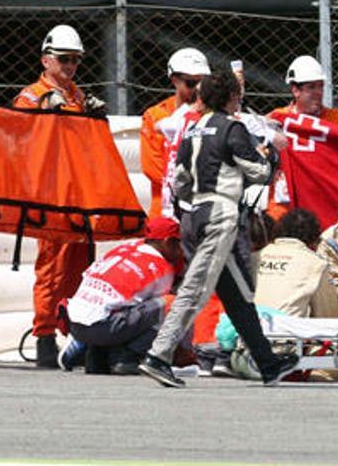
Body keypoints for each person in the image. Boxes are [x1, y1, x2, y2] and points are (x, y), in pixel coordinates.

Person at [138, 70, 297, 388]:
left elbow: (179, 181)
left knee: (238, 295)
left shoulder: (190, 130)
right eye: (237, 93)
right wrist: (270, 155)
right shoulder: (233, 128)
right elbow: (259, 172)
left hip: (193, 215)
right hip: (220, 216)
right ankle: (158, 355)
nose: (240, 99)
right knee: (195, 288)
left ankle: (267, 363)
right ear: (229, 97)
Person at [12, 24, 99, 367]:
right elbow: (22, 142)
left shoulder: (78, 97)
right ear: (46, 60)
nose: (70, 67)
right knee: (51, 269)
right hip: (48, 195)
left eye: (76, 61)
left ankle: (78, 335)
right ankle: (45, 337)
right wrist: (48, 113)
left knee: (83, 268)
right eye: (64, 60)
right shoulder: (31, 96)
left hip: (79, 194)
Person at [59, 217, 184, 375]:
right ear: (167, 241)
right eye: (179, 244)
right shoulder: (161, 268)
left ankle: (95, 352)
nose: (181, 251)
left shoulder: (123, 249)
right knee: (172, 305)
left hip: (75, 322)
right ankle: (126, 356)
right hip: (103, 327)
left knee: (124, 305)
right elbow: (153, 317)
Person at [265, 55, 338, 222]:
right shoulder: (276, 120)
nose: (318, 93)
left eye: (321, 86)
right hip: (284, 205)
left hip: (324, 203)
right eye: (311, 87)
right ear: (295, 90)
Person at [140, 48, 211, 218]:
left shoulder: (213, 115)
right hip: (166, 209)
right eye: (191, 83)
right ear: (174, 80)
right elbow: (153, 168)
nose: (198, 90)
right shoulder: (156, 116)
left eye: (203, 83)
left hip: (204, 206)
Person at [254, 208, 338, 318]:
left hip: (239, 329)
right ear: (313, 238)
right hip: (283, 332)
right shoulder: (317, 264)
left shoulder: (257, 256)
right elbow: (327, 317)